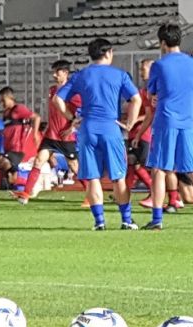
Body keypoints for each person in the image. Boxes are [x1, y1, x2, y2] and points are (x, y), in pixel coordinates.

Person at [54, 38, 142, 230]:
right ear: (109, 52)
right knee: (118, 177)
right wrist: (130, 123)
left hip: (88, 129)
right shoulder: (119, 75)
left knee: (93, 177)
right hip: (110, 128)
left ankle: (99, 222)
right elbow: (136, 99)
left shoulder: (81, 75)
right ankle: (126, 220)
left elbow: (57, 99)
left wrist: (71, 118)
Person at [144, 23, 193, 230]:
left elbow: (151, 93)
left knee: (159, 170)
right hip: (187, 121)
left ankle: (157, 219)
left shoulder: (160, 65)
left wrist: (155, 98)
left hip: (166, 120)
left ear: (162, 43)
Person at [13, 60, 85, 205]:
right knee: (38, 161)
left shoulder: (73, 92)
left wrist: (72, 128)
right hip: (51, 135)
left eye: (57, 72)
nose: (54, 75)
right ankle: (25, 194)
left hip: (65, 136)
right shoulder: (52, 90)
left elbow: (81, 113)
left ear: (65, 73)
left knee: (74, 167)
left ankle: (91, 195)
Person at [0, 87, 41, 200]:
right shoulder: (6, 113)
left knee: (1, 165)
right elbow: (9, 129)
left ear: (10, 98)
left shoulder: (19, 109)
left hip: (18, 148)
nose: (1, 103)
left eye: (3, 100)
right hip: (8, 148)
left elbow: (36, 117)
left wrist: (35, 134)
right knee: (7, 175)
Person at [128, 59, 155, 208]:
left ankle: (166, 196)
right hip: (139, 134)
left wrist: (136, 120)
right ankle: (125, 193)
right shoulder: (144, 91)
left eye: (143, 69)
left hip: (149, 135)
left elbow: (151, 114)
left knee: (152, 168)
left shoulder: (155, 90)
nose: (141, 72)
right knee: (133, 162)